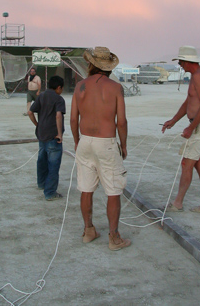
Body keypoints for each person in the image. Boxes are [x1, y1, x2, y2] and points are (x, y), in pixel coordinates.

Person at [70, 47, 131, 251]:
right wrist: (123, 145)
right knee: (113, 190)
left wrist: (78, 141)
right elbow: (121, 122)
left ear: (91, 64)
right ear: (109, 67)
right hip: (106, 142)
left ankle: (89, 230)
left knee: (86, 189)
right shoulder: (115, 88)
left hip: (85, 141)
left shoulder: (80, 86)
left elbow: (73, 119)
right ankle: (114, 238)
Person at [162, 46, 200, 214]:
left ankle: (177, 203)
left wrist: (190, 128)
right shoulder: (195, 77)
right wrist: (173, 120)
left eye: (180, 61)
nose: (179, 64)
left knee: (187, 164)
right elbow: (188, 103)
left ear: (188, 61)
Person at [28, 76, 65, 201]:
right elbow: (58, 116)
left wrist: (38, 125)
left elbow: (30, 112)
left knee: (42, 160)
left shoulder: (41, 96)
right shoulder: (59, 99)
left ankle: (42, 183)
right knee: (53, 165)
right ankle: (50, 193)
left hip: (41, 135)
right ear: (59, 87)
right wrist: (59, 134)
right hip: (53, 136)